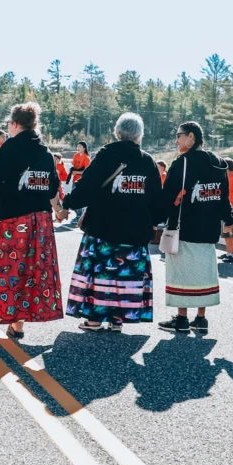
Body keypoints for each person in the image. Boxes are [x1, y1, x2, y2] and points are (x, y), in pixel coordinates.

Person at [0, 102, 64, 339]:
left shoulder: (9, 148)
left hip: (11, 222)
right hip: (40, 224)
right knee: (29, 274)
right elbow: (52, 189)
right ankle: (18, 325)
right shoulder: (45, 153)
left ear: (13, 124)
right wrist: (59, 212)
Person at [61, 113, 163, 331]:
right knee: (126, 277)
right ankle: (118, 320)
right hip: (135, 232)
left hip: (103, 227)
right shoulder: (148, 161)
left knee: (101, 274)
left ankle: (94, 319)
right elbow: (157, 198)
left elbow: (87, 186)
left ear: (117, 133)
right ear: (139, 135)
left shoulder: (106, 155)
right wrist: (155, 221)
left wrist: (68, 202)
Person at [158, 121, 233, 335]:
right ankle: (201, 319)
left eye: (179, 136)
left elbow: (167, 197)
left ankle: (181, 319)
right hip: (209, 230)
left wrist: (155, 218)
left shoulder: (182, 163)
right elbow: (223, 197)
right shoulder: (219, 163)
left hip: (184, 229)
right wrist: (228, 220)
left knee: (181, 274)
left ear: (191, 137)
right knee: (204, 275)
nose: (177, 140)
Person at [67, 141, 91, 222]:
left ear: (84, 148)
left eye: (80, 146)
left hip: (82, 180)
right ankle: (79, 215)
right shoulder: (76, 156)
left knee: (79, 198)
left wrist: (76, 172)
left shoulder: (86, 157)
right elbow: (74, 166)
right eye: (78, 146)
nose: (78, 148)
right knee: (74, 197)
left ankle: (79, 216)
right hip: (75, 179)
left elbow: (86, 171)